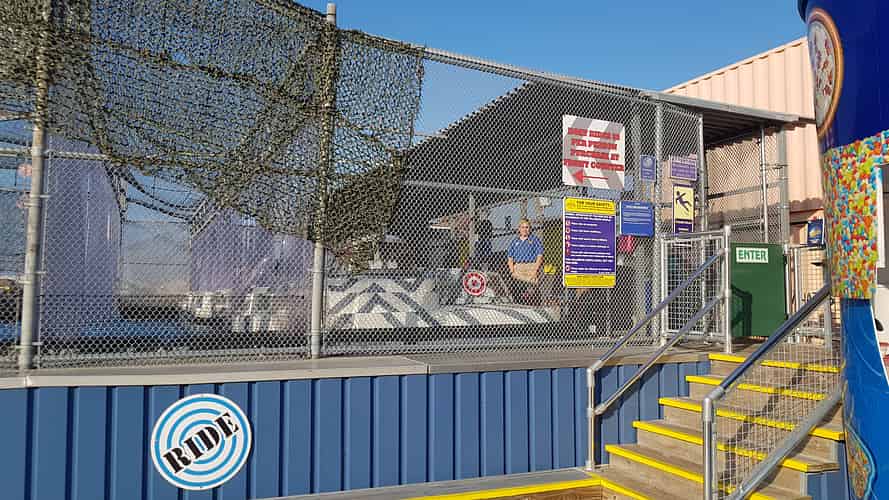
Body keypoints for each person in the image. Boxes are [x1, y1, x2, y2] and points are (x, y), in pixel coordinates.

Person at [507, 218, 544, 304]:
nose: (525, 229)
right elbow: (510, 258)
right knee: (517, 290)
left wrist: (535, 270)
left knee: (532, 291)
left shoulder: (534, 240)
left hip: (531, 267)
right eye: (522, 227)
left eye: (527, 227)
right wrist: (512, 271)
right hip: (518, 267)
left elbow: (539, 256)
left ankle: (534, 306)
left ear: (530, 229)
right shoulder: (515, 241)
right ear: (519, 228)